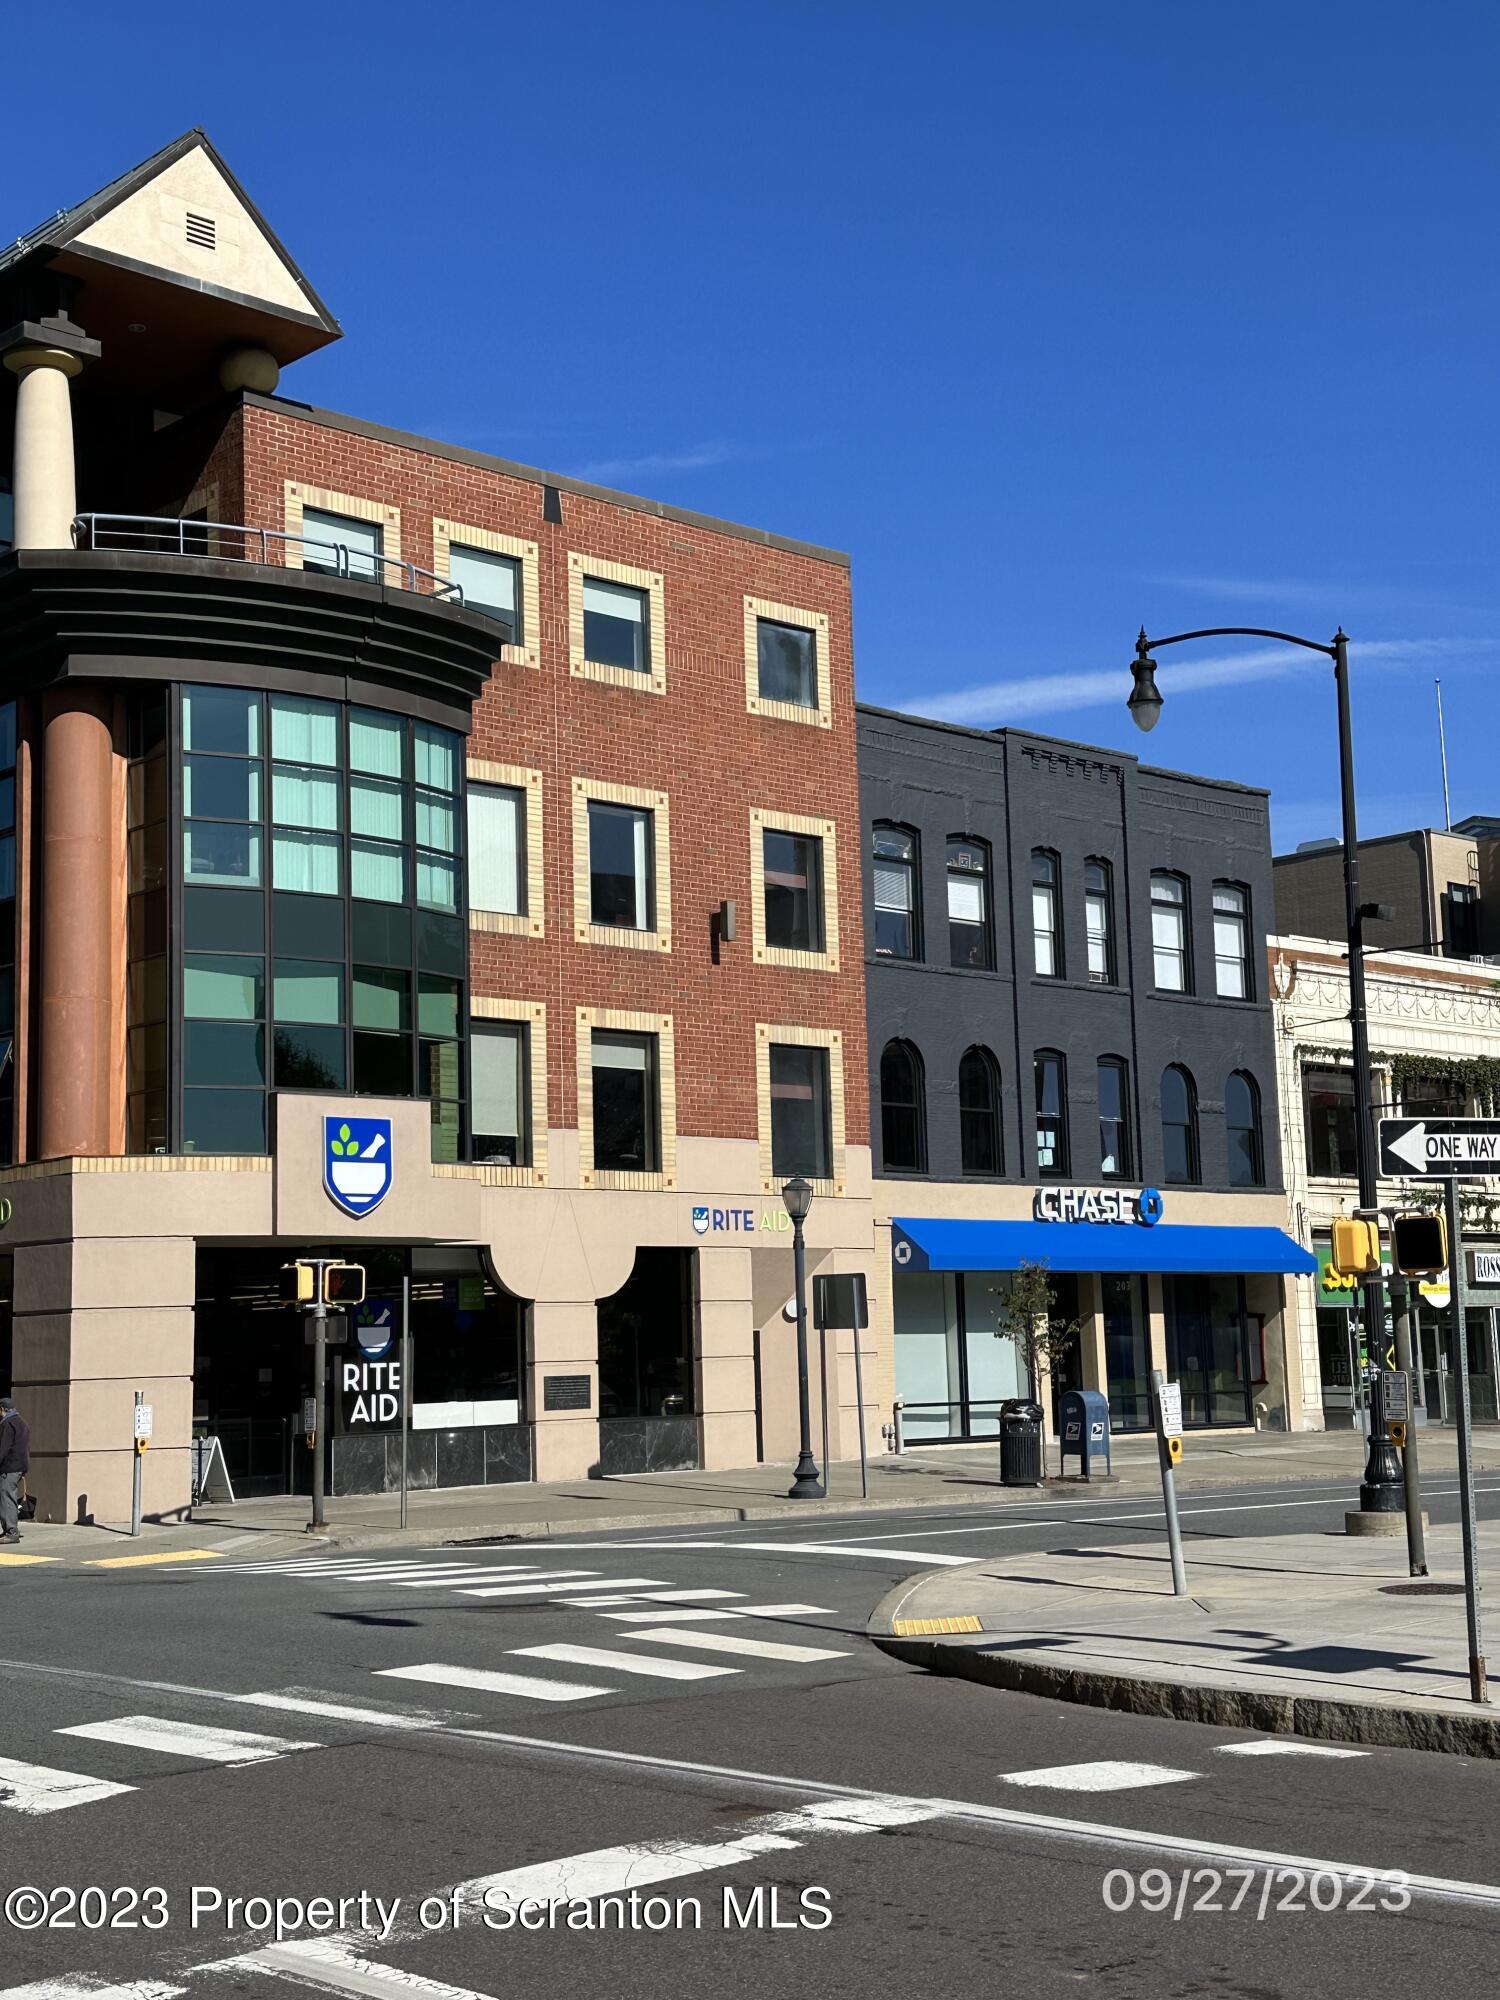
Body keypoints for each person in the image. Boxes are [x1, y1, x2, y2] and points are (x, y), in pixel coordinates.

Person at [0, 1396, 30, 1543]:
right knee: (10, 1498)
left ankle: (11, 1532)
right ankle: (10, 1529)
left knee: (7, 1499)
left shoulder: (7, 1424)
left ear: (2, 1409)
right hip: (19, 1467)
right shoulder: (22, 1423)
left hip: (9, 1468)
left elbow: (2, 1449)